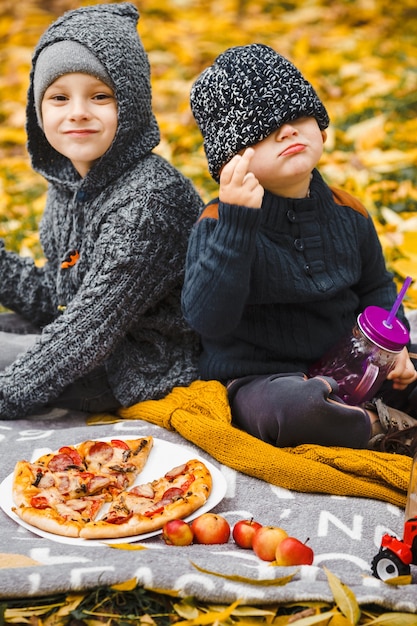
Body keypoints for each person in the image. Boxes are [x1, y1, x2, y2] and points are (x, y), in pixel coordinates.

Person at [182, 43, 417, 455]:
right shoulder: (219, 223)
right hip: (264, 378)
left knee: (410, 367)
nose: (286, 130)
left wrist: (392, 352)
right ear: (229, 162)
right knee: (294, 410)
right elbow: (208, 319)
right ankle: (381, 428)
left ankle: (370, 418)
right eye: (260, 129)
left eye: (297, 117)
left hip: (354, 363)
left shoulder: (350, 212)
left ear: (321, 130)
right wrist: (238, 224)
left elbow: (377, 288)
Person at [0, 2, 204, 420]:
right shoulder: (71, 185)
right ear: (38, 111)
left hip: (135, 367)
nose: (77, 112)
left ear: (129, 104)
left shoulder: (149, 201)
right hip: (91, 344)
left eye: (100, 96)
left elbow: (84, 333)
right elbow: (60, 300)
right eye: (58, 97)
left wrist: (6, 395)